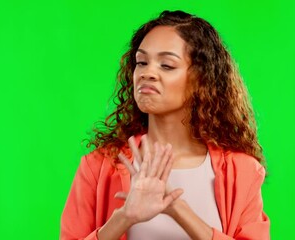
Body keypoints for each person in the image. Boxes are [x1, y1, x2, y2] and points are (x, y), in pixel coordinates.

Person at [60, 10, 270, 240]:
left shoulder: (242, 171)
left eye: (167, 65)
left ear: (201, 79)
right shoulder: (99, 166)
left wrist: (177, 209)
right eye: (141, 62)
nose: (147, 73)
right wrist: (124, 217)